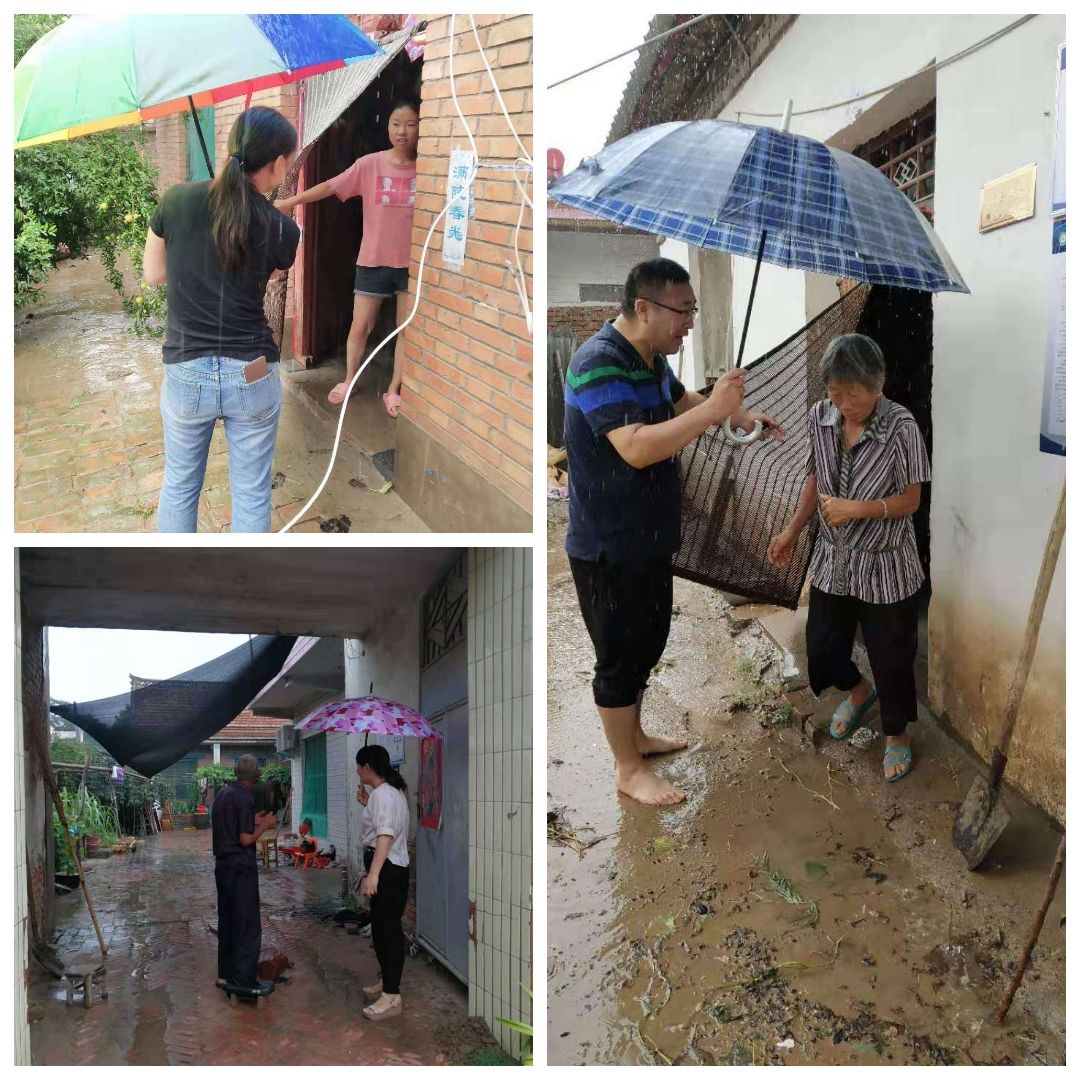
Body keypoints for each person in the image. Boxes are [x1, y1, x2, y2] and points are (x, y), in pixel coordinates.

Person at [565, 257, 781, 807]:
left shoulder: (651, 359)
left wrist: (736, 414)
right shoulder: (597, 362)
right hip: (608, 544)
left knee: (648, 642)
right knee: (618, 658)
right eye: (682, 311)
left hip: (649, 536)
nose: (689, 322)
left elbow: (679, 403)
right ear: (644, 308)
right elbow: (636, 446)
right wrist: (712, 414)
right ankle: (626, 768)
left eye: (693, 310)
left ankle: (634, 738)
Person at [767, 333, 931, 783]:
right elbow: (814, 477)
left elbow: (912, 499)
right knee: (822, 646)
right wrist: (792, 530)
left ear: (877, 384)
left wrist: (857, 509)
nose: (844, 404)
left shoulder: (901, 427)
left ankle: (896, 735)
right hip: (834, 560)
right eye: (835, 393)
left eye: (852, 394)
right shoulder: (821, 417)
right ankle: (858, 692)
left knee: (892, 654)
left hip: (886, 565)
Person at [144, 106, 301, 533]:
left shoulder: (176, 200)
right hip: (251, 374)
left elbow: (154, 274)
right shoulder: (283, 230)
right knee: (251, 493)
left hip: (185, 371)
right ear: (280, 163)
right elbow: (259, 278)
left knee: (179, 485)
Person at [275, 97, 420, 416]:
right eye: (397, 124)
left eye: (410, 124)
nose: (402, 131)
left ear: (420, 127)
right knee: (360, 326)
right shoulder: (370, 164)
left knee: (405, 330)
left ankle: (394, 389)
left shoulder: (426, 171)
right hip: (372, 261)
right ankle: (349, 379)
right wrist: (293, 201)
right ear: (388, 126)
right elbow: (330, 185)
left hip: (411, 267)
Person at [211, 755, 278, 990]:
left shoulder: (223, 794)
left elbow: (233, 821)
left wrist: (253, 819)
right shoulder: (246, 798)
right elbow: (245, 838)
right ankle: (243, 979)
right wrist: (265, 826)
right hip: (241, 867)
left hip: (223, 867)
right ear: (258, 776)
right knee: (246, 923)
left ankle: (224, 975)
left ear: (234, 772)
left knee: (227, 920)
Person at [355, 745, 411, 1020]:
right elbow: (383, 824)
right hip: (389, 867)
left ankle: (392, 995)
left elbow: (385, 836)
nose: (357, 772)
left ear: (367, 768)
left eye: (358, 767)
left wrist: (374, 874)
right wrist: (368, 804)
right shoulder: (387, 793)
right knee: (381, 928)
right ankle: (386, 982)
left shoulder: (385, 795)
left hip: (387, 869)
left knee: (387, 932)